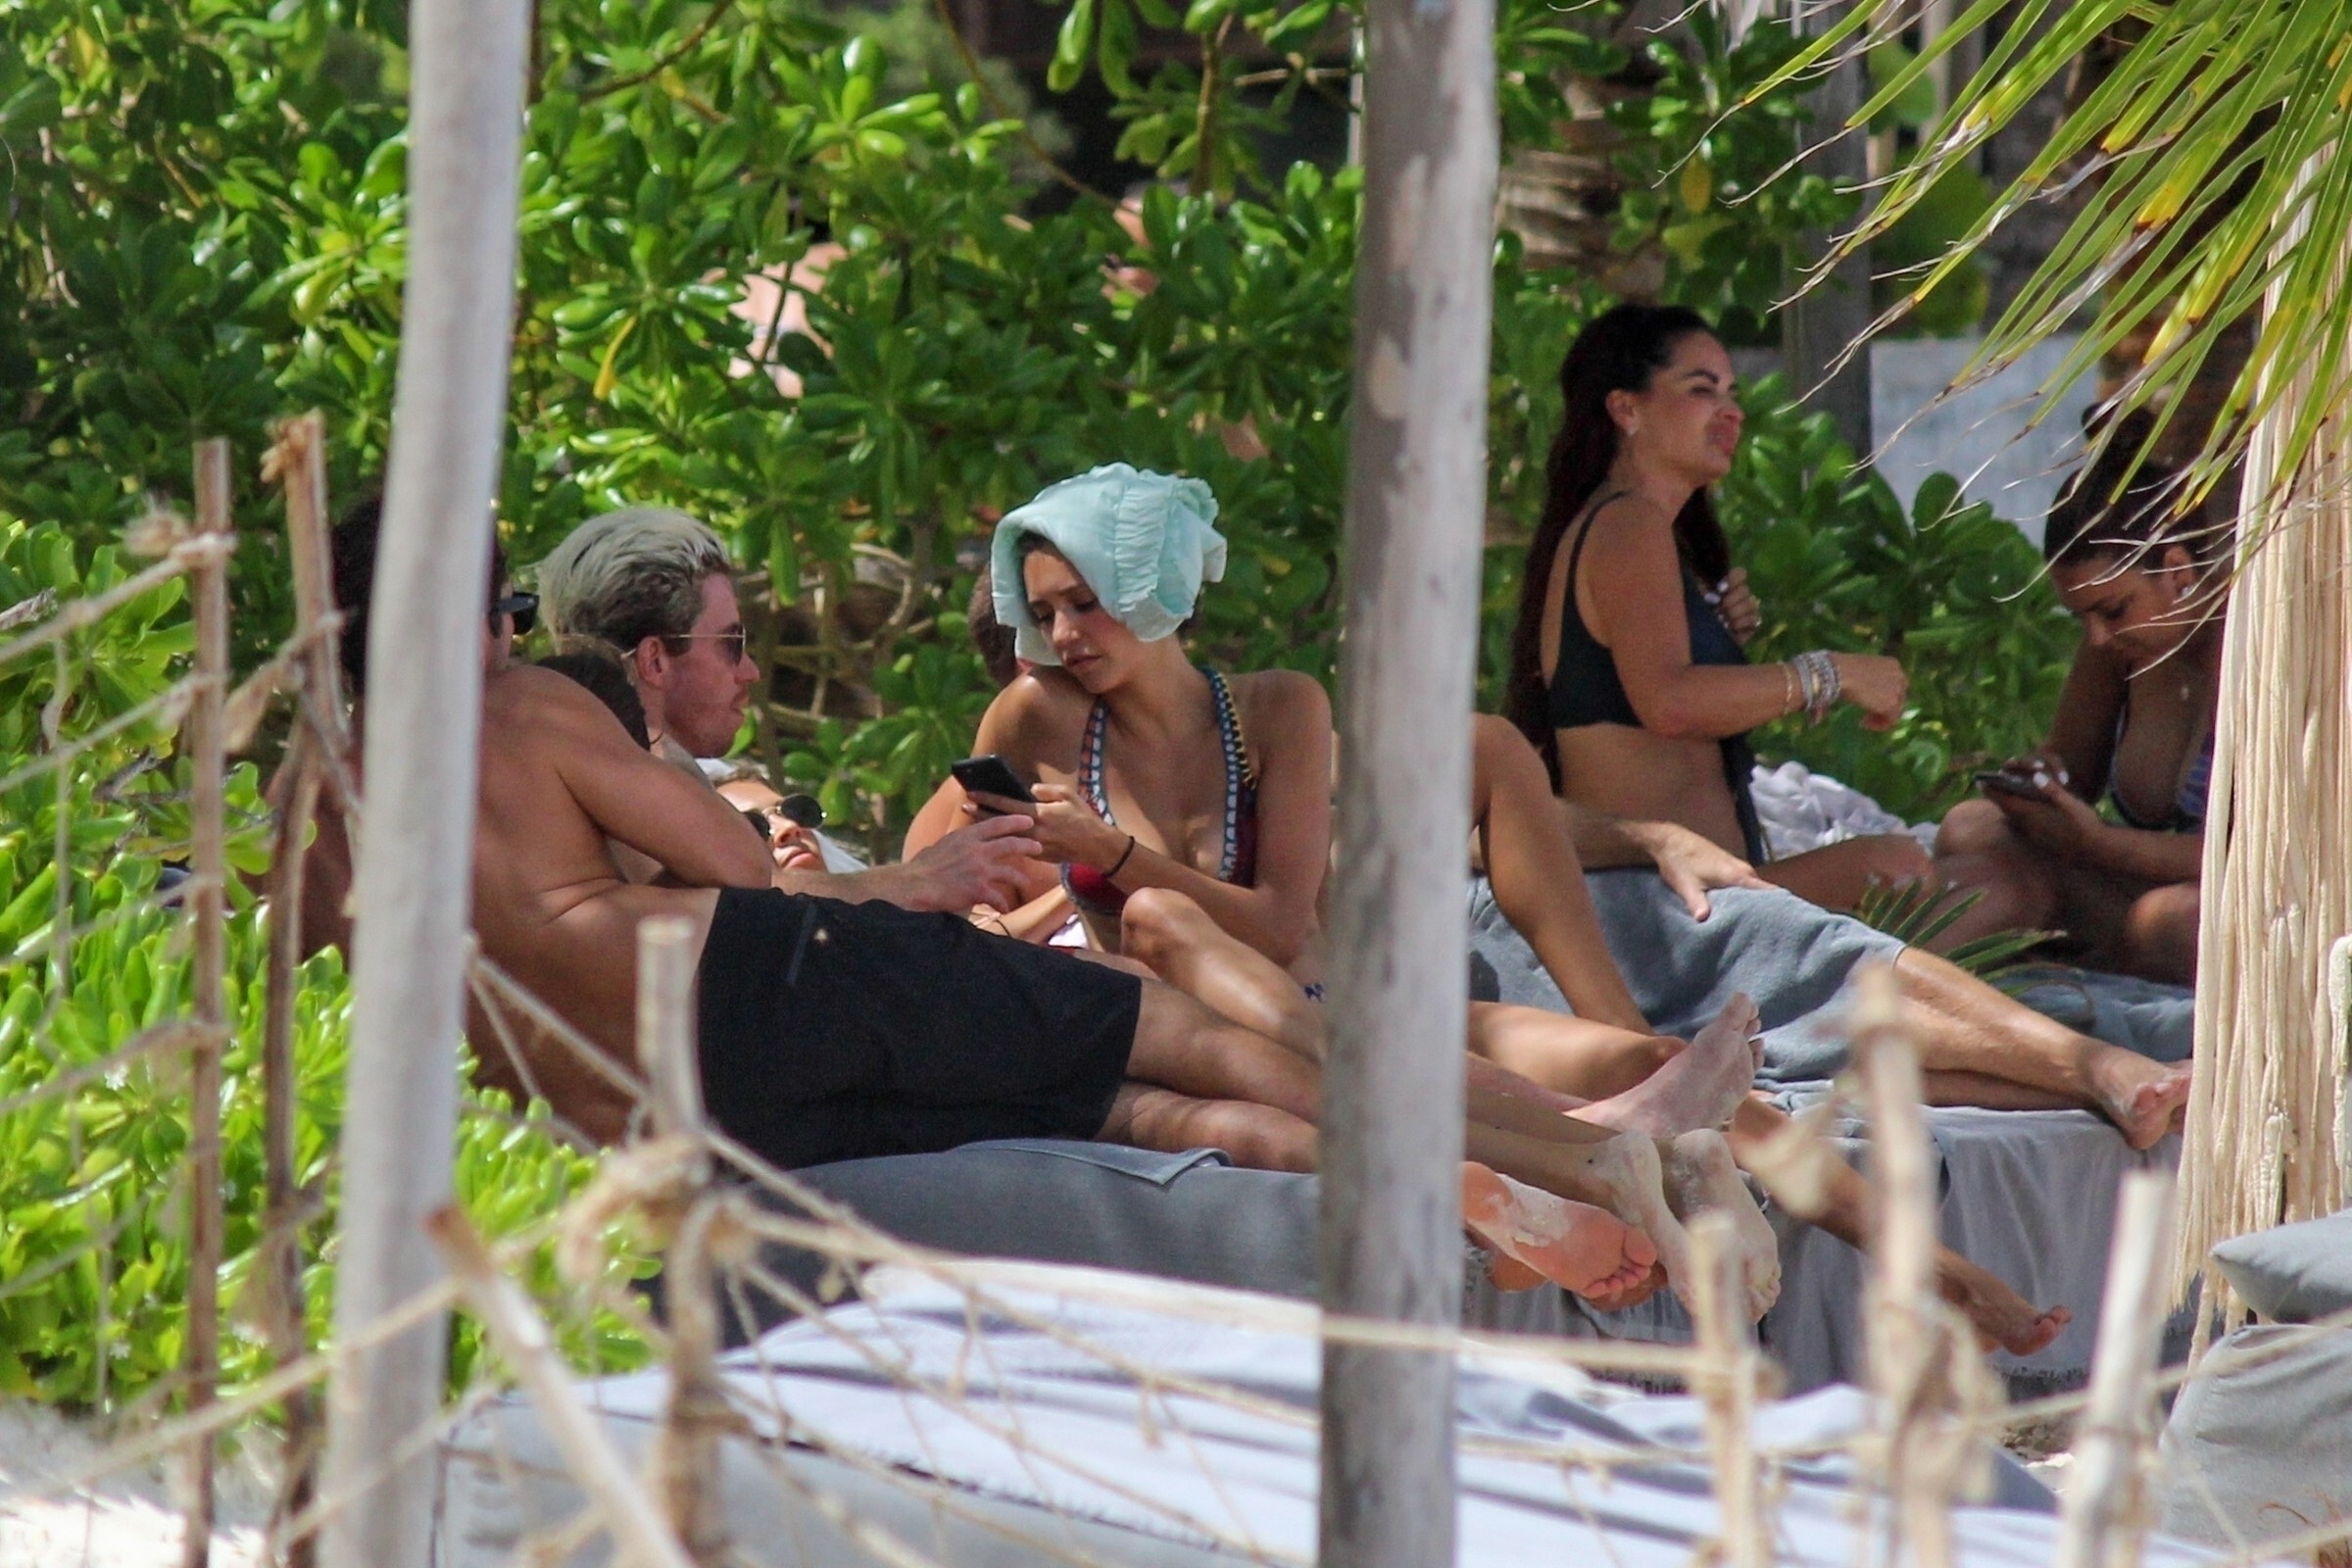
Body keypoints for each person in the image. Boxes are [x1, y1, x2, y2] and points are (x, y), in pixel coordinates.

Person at [1499, 303, 2032, 943]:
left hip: (1694, 900)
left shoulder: (1638, 530)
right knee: (1908, 872)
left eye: (1733, 393)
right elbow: (1669, 702)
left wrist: (1719, 641)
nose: (1731, 411)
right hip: (1664, 911)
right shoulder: (1627, 524)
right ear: (1626, 409)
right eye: (1702, 390)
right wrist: (1828, 674)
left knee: (2001, 882)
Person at [531, 505, 1041, 916]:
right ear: (655, 660)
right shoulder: (624, 765)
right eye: (732, 643)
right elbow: (742, 899)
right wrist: (917, 881)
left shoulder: (579, 752)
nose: (750, 671)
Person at [1934, 432, 2222, 984]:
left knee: (2167, 923)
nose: (2096, 637)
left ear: (2179, 572)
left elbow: (2255, 855)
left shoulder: (2265, 658)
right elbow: (2073, 763)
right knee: (1972, 826)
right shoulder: (2117, 648)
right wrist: (2047, 783)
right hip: (2130, 879)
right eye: (2080, 617)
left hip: (2243, 897)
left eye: (2112, 610)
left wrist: (2102, 845)